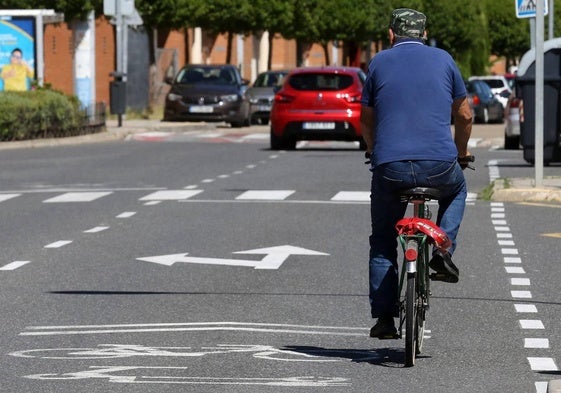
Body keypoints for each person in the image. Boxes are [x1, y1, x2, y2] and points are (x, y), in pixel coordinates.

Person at [359, 8, 473, 339]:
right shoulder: (444, 60)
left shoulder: (378, 62)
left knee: (382, 239)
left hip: (390, 168)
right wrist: (461, 154)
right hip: (438, 165)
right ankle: (442, 250)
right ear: (425, 34)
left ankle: (383, 319)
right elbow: (464, 115)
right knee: (458, 190)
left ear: (391, 34)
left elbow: (366, 119)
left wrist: (372, 149)